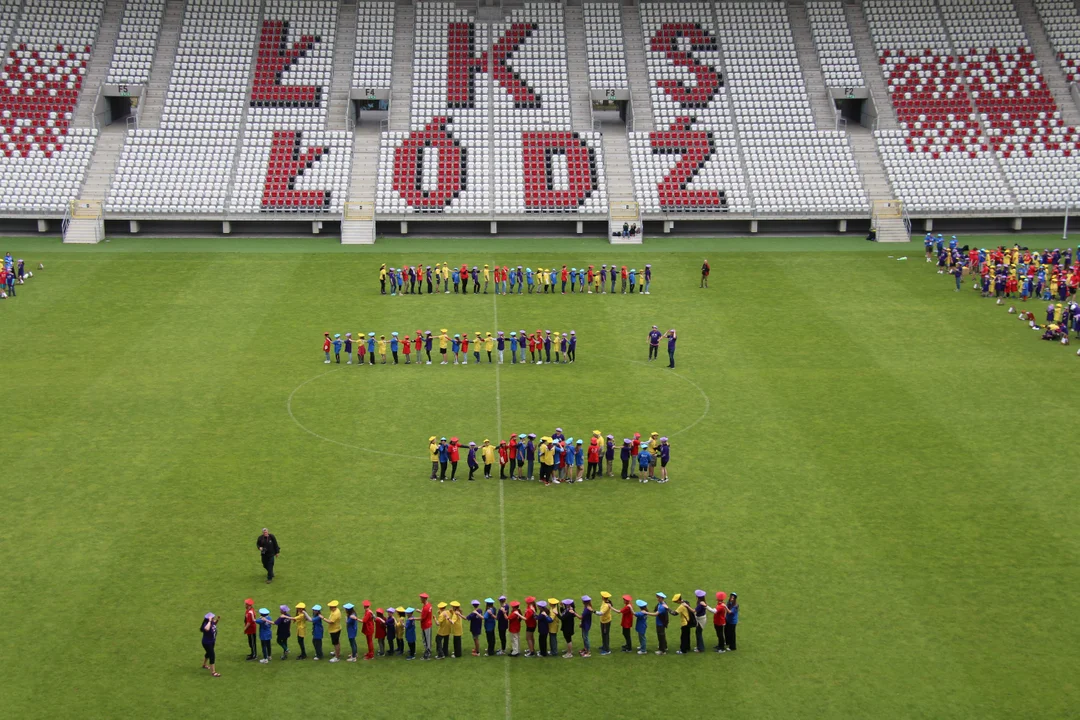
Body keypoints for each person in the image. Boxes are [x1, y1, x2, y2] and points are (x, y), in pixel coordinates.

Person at [419, 592, 433, 660]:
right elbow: (426, 613)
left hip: (426, 625)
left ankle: (427, 655)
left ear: (424, 599)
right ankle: (428, 651)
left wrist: (413, 618)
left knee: (426, 640)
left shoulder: (425, 607)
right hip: (428, 624)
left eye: (421, 598)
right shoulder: (429, 605)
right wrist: (420, 611)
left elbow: (422, 618)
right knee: (428, 640)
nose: (420, 599)